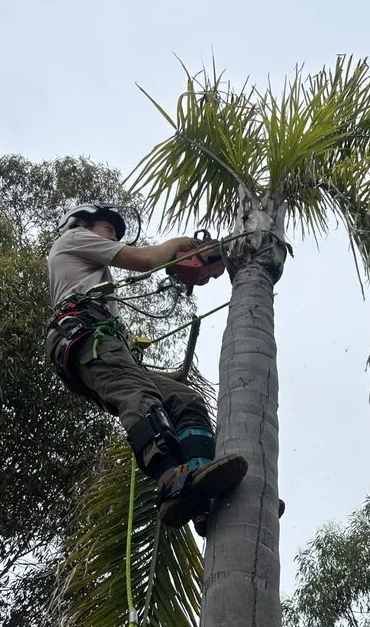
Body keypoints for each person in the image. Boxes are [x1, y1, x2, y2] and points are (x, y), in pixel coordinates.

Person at [45, 202, 247, 531]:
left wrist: (168, 376)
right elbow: (143, 261)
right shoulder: (73, 239)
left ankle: (202, 487)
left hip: (97, 346)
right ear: (81, 222)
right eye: (109, 229)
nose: (112, 236)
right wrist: (180, 243)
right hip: (82, 338)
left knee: (184, 399)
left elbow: (123, 369)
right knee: (139, 397)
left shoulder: (99, 286)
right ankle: (171, 481)